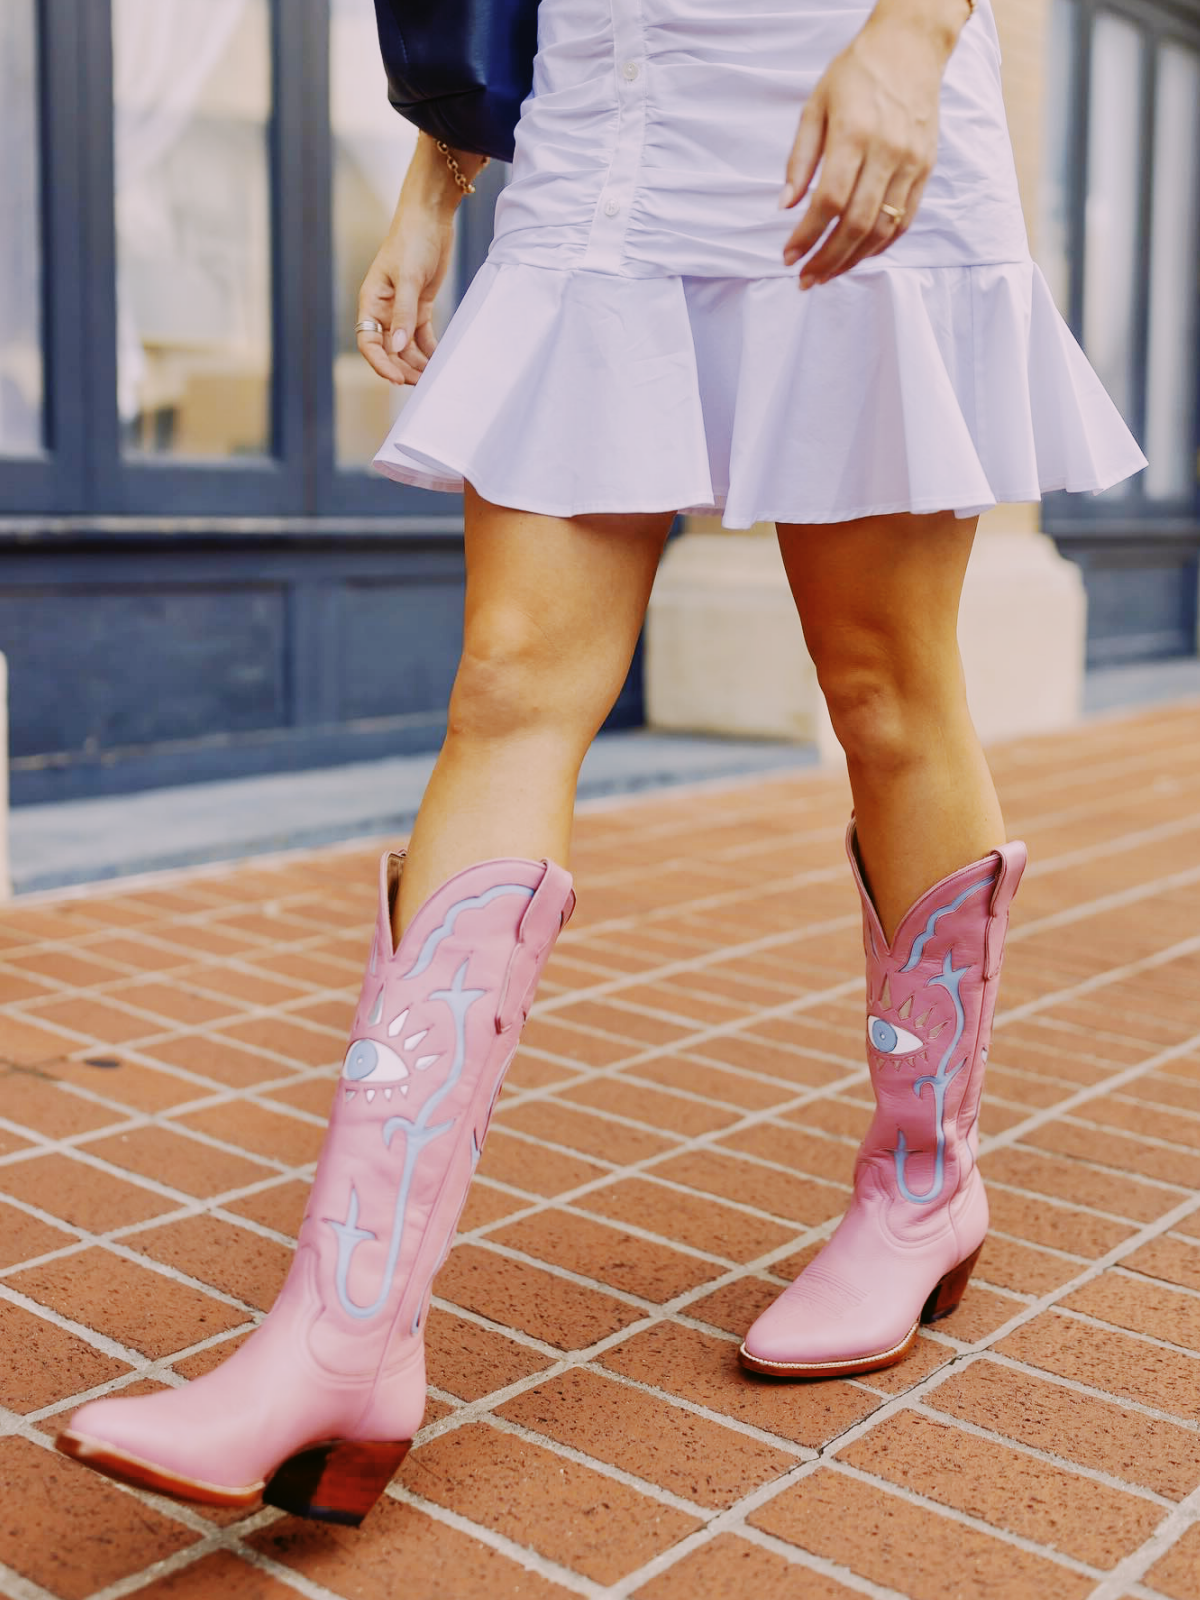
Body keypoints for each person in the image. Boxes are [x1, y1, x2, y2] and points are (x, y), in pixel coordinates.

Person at [57, 0, 1144, 1524]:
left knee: (887, 689)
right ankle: (343, 1337)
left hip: (837, 106)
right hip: (603, 125)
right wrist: (439, 176)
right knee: (506, 682)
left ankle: (920, 1188)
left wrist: (913, 34)